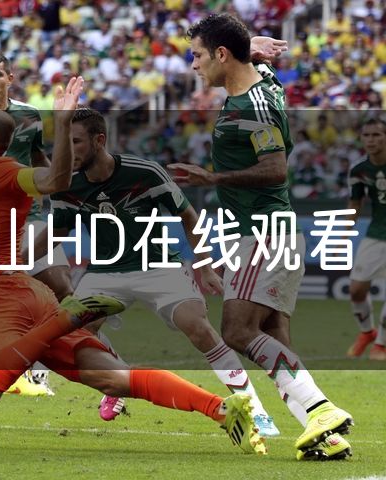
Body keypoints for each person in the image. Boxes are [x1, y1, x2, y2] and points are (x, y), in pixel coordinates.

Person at [0, 82, 265, 456]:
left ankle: (65, 319)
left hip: (5, 294)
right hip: (31, 290)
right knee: (113, 379)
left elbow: (53, 181)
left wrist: (61, 124)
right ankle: (223, 409)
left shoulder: (4, 171)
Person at [168, 13, 353, 461]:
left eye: (197, 55)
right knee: (272, 336)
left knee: (237, 330)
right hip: (269, 232)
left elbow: (275, 168)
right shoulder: (261, 86)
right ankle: (325, 435)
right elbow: (260, 68)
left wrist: (212, 178)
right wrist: (254, 48)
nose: (193, 65)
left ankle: (322, 409)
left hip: (262, 232)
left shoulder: (252, 106)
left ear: (221, 54)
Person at [33, 107, 279, 437]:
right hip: (104, 272)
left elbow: (188, 217)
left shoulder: (144, 172)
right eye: (64, 142)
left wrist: (205, 267)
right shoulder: (66, 185)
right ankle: (119, 381)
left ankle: (254, 409)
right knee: (78, 332)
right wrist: (15, 263)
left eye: (75, 141)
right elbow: (57, 233)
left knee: (198, 327)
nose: (67, 150)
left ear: (99, 140)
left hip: (159, 266)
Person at [0, 51, 75, 395]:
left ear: (10, 78)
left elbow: (37, 157)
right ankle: (1, 361)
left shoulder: (29, 116)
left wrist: (60, 187)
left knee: (60, 285)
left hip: (28, 213)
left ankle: (39, 370)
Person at [345, 116, 386, 361]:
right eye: (367, 135)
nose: (371, 140)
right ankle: (367, 332)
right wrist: (342, 236)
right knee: (356, 290)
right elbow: (355, 204)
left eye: (377, 135)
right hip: (376, 232)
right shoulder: (359, 170)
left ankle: (381, 345)